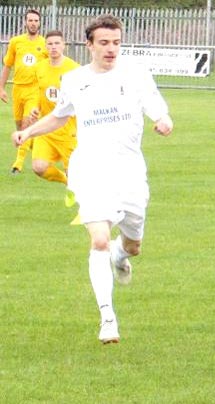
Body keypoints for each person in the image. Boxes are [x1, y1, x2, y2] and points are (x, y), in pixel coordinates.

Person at [12, 14, 174, 344]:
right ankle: (107, 317)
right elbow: (59, 116)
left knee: (133, 245)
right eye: (104, 43)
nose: (111, 49)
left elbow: (155, 103)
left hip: (129, 173)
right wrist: (28, 130)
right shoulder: (76, 80)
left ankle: (120, 255)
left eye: (116, 42)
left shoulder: (136, 74)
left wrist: (163, 119)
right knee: (98, 239)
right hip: (90, 170)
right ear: (90, 45)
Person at [30, 30, 79, 205]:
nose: (53, 47)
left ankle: (84, 206)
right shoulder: (40, 67)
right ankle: (66, 181)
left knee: (78, 177)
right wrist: (35, 108)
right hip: (47, 130)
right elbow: (39, 92)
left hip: (68, 131)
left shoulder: (74, 70)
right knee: (38, 167)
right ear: (46, 46)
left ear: (63, 45)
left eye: (57, 43)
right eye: (50, 44)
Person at [0, 9, 48, 174]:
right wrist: (1, 87)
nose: (33, 23)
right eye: (30, 20)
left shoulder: (44, 44)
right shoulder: (16, 42)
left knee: (27, 124)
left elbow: (51, 67)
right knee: (20, 126)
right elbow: (7, 65)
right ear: (25, 22)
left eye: (36, 20)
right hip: (17, 89)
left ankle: (17, 164)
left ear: (39, 23)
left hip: (35, 90)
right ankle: (36, 146)